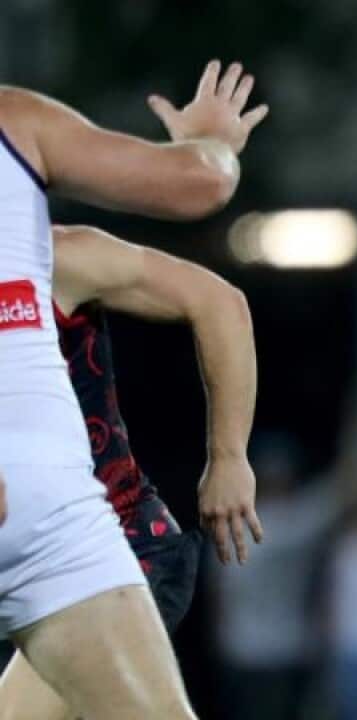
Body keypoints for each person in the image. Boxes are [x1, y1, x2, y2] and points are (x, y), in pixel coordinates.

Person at [0, 59, 265, 719]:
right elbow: (200, 182)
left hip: (109, 539)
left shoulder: (70, 256)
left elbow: (220, 303)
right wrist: (211, 149)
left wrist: (228, 456)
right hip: (56, 524)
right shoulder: (18, 124)